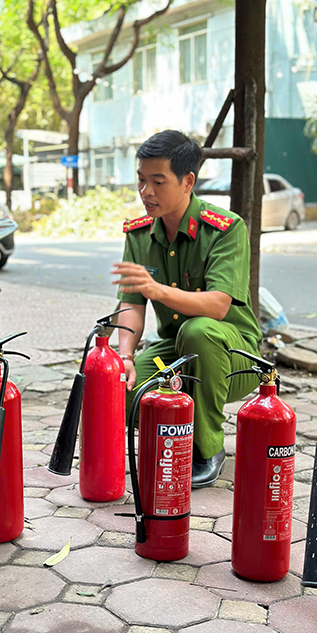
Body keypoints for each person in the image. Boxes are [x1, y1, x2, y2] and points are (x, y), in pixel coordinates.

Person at [111, 130, 262, 488]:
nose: (146, 192)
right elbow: (131, 301)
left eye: (158, 182)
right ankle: (175, 432)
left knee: (198, 330)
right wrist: (126, 356)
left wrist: (156, 289)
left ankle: (207, 447)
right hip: (173, 351)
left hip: (232, 357)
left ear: (187, 181)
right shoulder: (139, 235)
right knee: (121, 394)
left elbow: (218, 304)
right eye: (142, 181)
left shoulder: (226, 230)